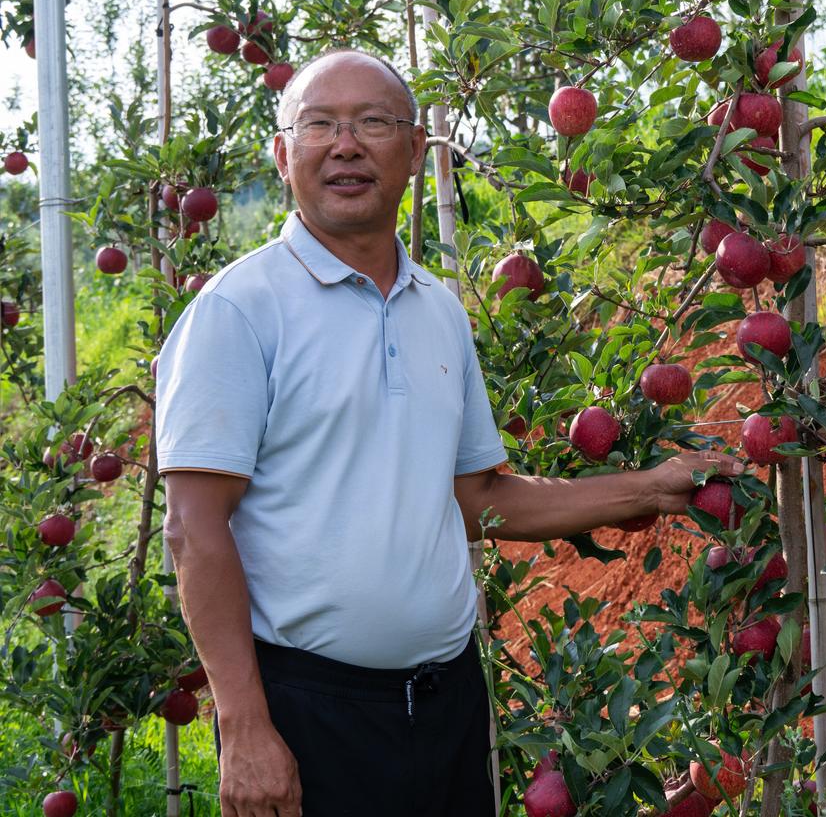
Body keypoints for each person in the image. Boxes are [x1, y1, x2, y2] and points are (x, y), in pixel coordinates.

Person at [156, 49, 745, 817]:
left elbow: (480, 497)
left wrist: (644, 490)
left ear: (413, 152)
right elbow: (194, 528)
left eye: (374, 123)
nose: (346, 145)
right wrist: (244, 724)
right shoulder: (239, 311)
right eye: (320, 126)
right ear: (282, 153)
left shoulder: (436, 308)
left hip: (448, 700)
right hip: (310, 711)